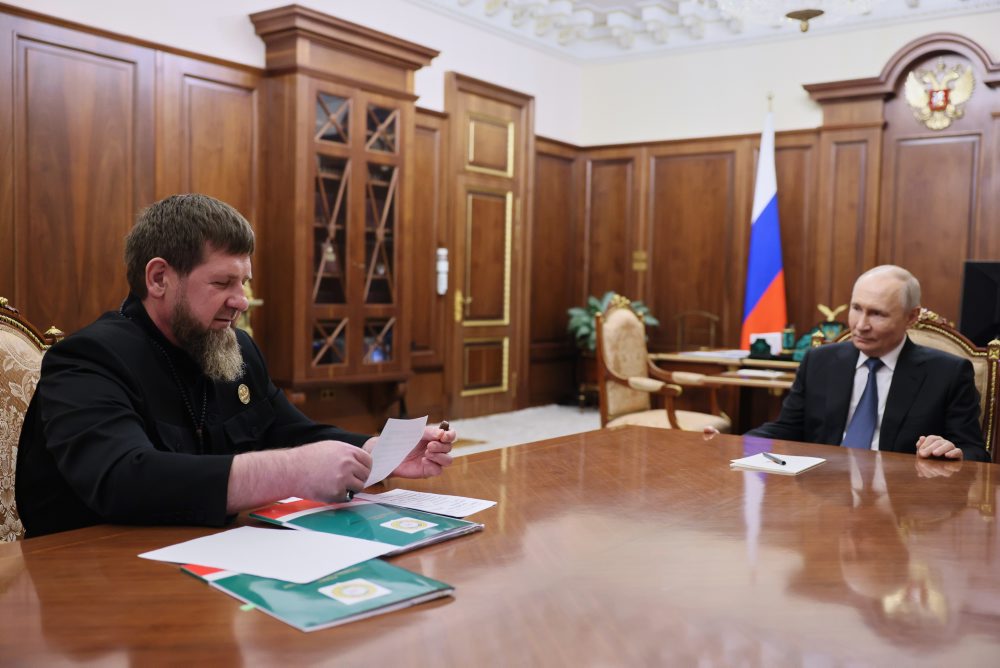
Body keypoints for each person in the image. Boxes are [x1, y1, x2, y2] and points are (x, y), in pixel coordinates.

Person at [16, 194, 455, 537]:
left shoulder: (235, 348)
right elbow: (123, 479)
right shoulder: (88, 360)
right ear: (159, 278)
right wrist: (290, 471)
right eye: (223, 282)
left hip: (209, 555)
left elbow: (289, 431)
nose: (241, 301)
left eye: (243, 282)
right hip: (97, 577)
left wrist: (377, 451)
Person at [707, 265, 989, 462]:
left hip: (900, 503)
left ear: (911, 317)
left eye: (877, 314)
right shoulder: (819, 361)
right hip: (822, 495)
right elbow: (787, 428)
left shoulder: (948, 373)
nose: (860, 325)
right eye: (856, 308)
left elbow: (975, 452)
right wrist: (735, 444)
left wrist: (951, 451)